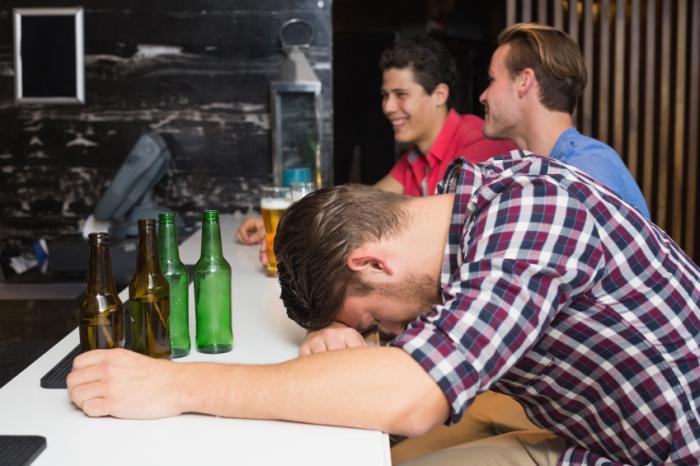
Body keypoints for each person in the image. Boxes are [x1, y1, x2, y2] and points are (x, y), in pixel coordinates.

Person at [67, 151, 700, 465]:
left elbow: (413, 400)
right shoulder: (458, 211)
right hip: (592, 431)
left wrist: (176, 384)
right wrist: (339, 345)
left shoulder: (538, 216)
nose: (392, 335)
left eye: (376, 323)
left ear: (371, 262)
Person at [235, 35, 515, 252]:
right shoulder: (416, 156)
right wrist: (285, 222)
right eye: (385, 95)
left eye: (400, 94)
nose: (388, 107)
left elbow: (443, 235)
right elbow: (359, 202)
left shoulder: (478, 144)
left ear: (439, 94)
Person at [479, 22, 650, 219]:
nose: (483, 96)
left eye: (491, 79)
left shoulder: (586, 169)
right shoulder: (536, 170)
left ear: (524, 81)